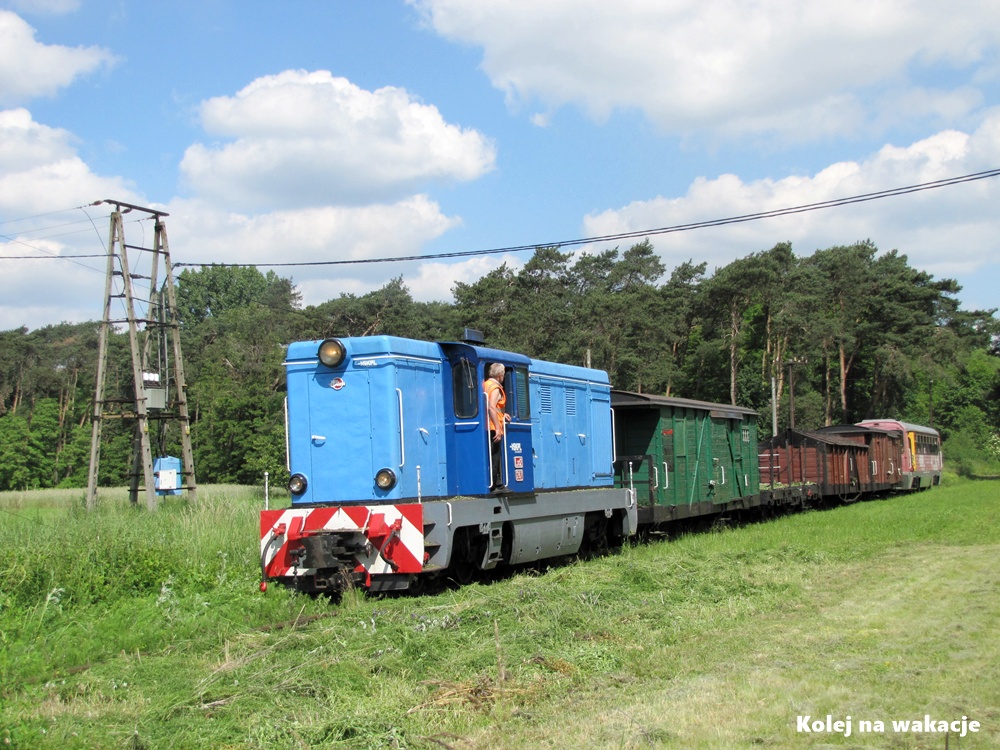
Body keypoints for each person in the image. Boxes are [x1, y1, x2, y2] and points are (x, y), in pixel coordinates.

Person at [483, 363, 508, 490]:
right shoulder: (495, 388)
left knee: (492, 454)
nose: (503, 377)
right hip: (493, 426)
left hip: (487, 424)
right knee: (495, 455)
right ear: (499, 375)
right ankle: (494, 483)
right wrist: (498, 428)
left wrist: (504, 414)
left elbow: (495, 407)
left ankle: (496, 481)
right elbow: (492, 407)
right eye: (503, 375)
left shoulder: (485, 384)